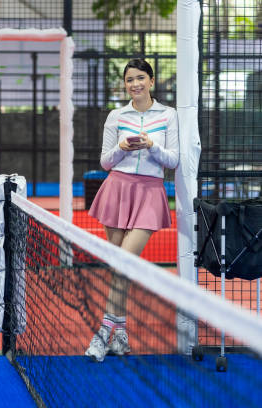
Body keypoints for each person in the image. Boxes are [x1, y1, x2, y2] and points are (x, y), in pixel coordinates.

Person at [84, 58, 179, 362]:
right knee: (119, 267)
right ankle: (121, 335)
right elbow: (105, 162)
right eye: (129, 80)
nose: (135, 84)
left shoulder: (169, 115)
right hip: (117, 189)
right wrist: (120, 149)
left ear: (152, 81)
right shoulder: (116, 115)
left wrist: (152, 145)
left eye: (140, 78)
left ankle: (102, 333)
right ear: (125, 85)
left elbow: (173, 161)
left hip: (149, 193)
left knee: (124, 262)